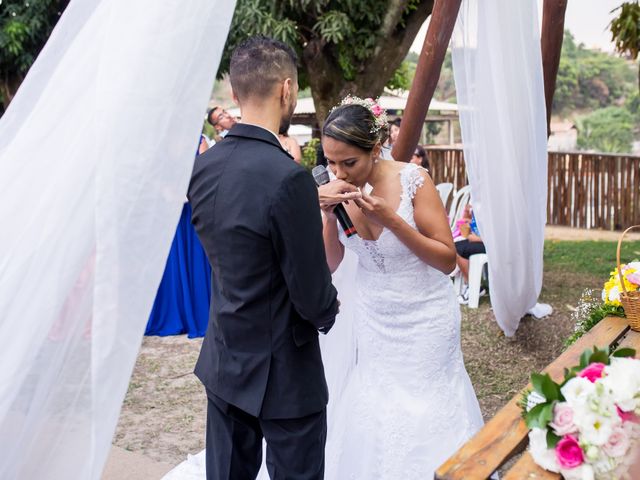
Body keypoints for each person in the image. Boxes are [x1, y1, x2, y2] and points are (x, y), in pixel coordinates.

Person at [187, 36, 339, 480]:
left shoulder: (204, 168)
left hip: (224, 356)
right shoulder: (288, 178)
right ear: (287, 89)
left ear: (234, 94)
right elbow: (311, 292)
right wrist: (331, 308)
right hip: (285, 371)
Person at [317, 97, 484, 479]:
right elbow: (331, 262)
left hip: (425, 318)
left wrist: (393, 221)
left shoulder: (413, 180)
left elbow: (446, 261)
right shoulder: (337, 190)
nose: (339, 172)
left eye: (349, 163)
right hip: (374, 316)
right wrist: (328, 218)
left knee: (426, 406)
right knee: (376, 403)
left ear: (375, 150)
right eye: (330, 162)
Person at [453, 203, 487, 305]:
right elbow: (467, 225)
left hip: (492, 245)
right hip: (478, 238)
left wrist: (476, 238)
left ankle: (473, 287)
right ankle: (471, 285)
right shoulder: (477, 199)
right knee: (454, 246)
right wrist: (467, 215)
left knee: (459, 249)